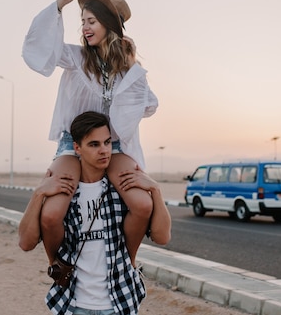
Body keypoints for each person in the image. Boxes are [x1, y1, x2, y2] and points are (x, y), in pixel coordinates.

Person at [22, 0, 158, 266]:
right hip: (72, 147)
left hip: (113, 147)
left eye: (91, 21)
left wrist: (128, 83)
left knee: (143, 204)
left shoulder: (129, 71)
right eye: (82, 21)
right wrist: (59, 5)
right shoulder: (76, 58)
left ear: (109, 26)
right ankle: (56, 265)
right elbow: (42, 49)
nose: (84, 27)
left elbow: (149, 105)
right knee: (51, 213)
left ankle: (129, 263)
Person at [18, 111, 172, 315]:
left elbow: (163, 237)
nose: (104, 151)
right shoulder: (64, 194)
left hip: (119, 302)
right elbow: (25, 243)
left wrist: (155, 190)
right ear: (77, 148)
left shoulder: (122, 191)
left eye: (107, 142)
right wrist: (38, 193)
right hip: (74, 304)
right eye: (94, 144)